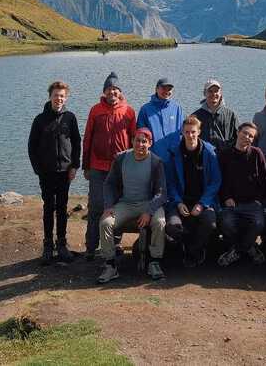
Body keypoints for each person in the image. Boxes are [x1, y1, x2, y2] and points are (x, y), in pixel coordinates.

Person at [96, 128, 169, 283]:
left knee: (160, 222)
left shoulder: (156, 162)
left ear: (150, 143)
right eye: (137, 140)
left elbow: (161, 193)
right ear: (132, 141)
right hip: (126, 204)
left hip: (149, 204)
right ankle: (110, 265)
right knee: (105, 223)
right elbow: (109, 184)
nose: (140, 144)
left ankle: (154, 262)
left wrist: (149, 211)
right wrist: (108, 206)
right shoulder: (121, 158)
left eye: (144, 141)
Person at [82, 72, 137, 259]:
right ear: (104, 91)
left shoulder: (129, 111)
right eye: (109, 89)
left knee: (117, 206)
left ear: (120, 92)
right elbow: (87, 138)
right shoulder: (95, 110)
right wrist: (86, 165)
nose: (112, 92)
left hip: (120, 168)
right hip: (97, 166)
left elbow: (134, 140)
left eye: (115, 89)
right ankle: (91, 247)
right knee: (96, 206)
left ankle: (115, 243)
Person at [27, 80, 81, 264]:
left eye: (62, 96)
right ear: (50, 96)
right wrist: (38, 170)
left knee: (62, 208)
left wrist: (75, 166)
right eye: (56, 95)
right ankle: (48, 245)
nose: (59, 98)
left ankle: (62, 244)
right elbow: (31, 147)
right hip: (47, 173)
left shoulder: (70, 118)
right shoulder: (40, 120)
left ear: (66, 98)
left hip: (65, 172)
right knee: (48, 208)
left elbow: (76, 143)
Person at [165, 116, 221, 268]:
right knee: (171, 226)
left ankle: (194, 250)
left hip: (203, 201)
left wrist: (202, 204)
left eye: (193, 132)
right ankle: (186, 246)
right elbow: (170, 183)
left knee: (210, 223)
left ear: (199, 132)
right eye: (187, 132)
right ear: (182, 132)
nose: (190, 135)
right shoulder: (174, 153)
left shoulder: (209, 153)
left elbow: (215, 181)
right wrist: (177, 202)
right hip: (180, 201)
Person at [216, 121, 266, 266]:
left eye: (251, 136)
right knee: (225, 223)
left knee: (258, 224)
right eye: (245, 133)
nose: (247, 137)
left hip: (253, 203)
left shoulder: (257, 154)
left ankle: (237, 251)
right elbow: (218, 180)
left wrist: (261, 201)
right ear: (238, 132)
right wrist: (226, 197)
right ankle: (250, 247)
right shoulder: (225, 154)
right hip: (232, 203)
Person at [138, 78, 184, 161]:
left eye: (169, 89)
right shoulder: (145, 109)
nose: (166, 91)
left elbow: (182, 132)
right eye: (163, 88)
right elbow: (141, 136)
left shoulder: (177, 108)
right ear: (156, 89)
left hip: (174, 158)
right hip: (153, 158)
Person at [191, 79, 238, 153]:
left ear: (221, 93)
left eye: (216, 91)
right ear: (204, 93)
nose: (214, 94)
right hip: (203, 158)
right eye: (210, 91)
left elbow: (237, 137)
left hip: (225, 158)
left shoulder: (231, 114)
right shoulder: (195, 116)